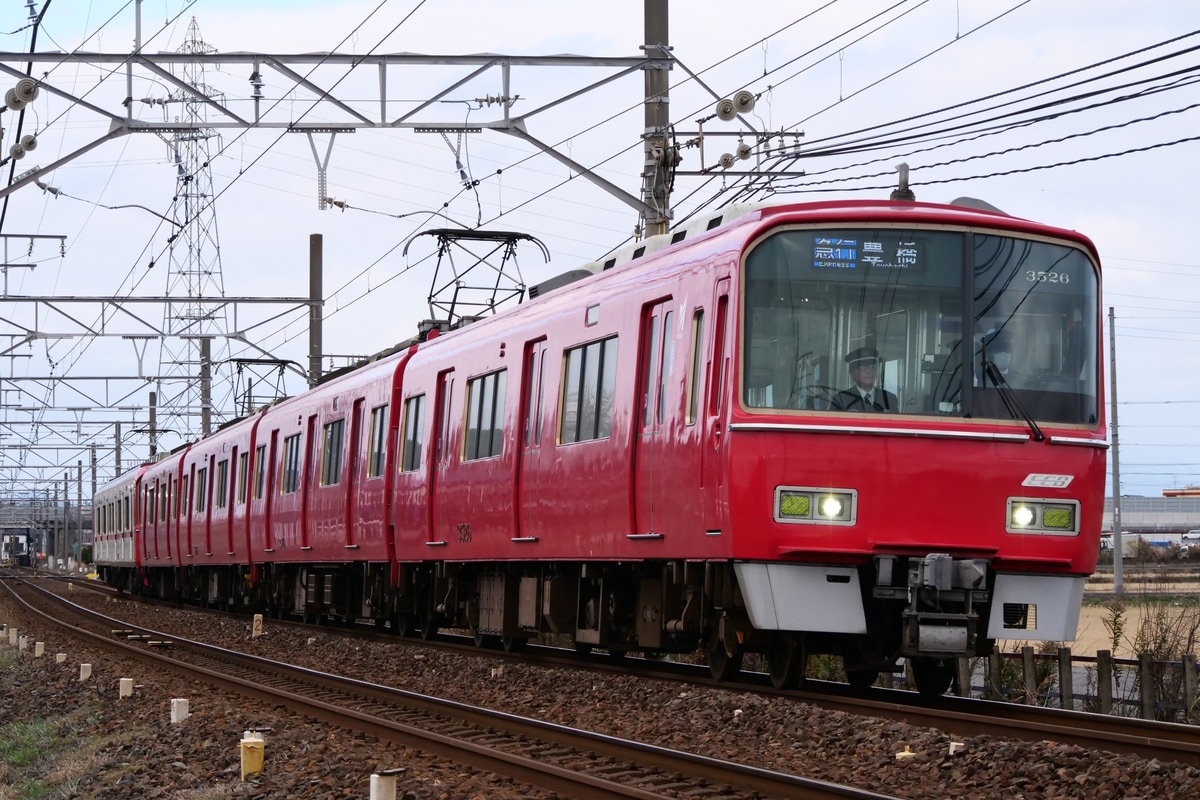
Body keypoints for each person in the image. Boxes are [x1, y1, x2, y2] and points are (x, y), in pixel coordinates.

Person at [831, 347, 898, 412]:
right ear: (852, 373)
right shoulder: (840, 399)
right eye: (863, 368)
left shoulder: (889, 398)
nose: (869, 371)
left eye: (872, 367)